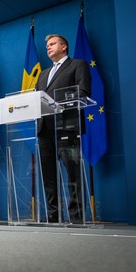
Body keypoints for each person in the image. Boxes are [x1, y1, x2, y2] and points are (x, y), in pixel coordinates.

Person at [35, 34, 91, 223]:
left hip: (67, 126)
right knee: (48, 176)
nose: (48, 48)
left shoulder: (78, 65)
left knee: (72, 173)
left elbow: (83, 91)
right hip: (45, 130)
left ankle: (76, 218)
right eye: (47, 45)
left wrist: (57, 102)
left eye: (52, 44)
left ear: (64, 46)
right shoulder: (43, 74)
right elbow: (37, 100)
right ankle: (53, 216)